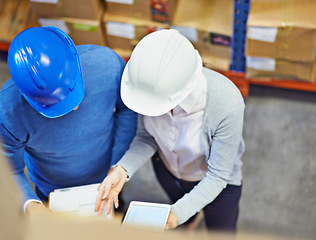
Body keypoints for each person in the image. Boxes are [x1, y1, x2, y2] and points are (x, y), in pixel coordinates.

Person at [95, 29, 245, 232]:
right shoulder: (147, 88)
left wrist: (177, 213)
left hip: (219, 184)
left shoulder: (227, 103)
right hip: (169, 172)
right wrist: (122, 170)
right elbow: (147, 136)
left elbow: (218, 176)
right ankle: (191, 219)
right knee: (183, 211)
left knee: (221, 231)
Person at [0, 26, 137, 215]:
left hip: (108, 178)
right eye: (54, 105)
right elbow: (7, 170)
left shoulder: (108, 65)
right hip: (51, 192)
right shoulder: (6, 113)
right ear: (27, 96)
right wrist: (31, 205)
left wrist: (117, 163)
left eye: (73, 92)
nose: (72, 107)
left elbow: (128, 111)